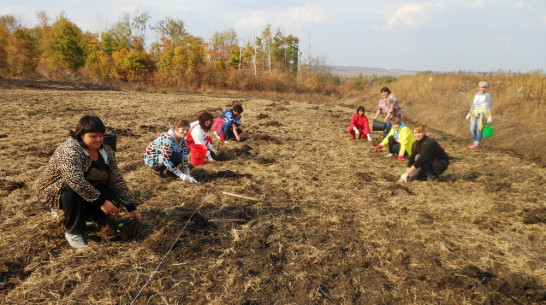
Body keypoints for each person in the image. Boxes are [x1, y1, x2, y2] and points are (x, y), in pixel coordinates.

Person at [37, 116, 142, 249]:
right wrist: (102, 202)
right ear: (81, 135)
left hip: (89, 188)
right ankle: (73, 232)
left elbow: (116, 179)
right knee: (71, 187)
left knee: (112, 197)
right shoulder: (70, 150)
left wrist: (131, 207)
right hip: (56, 192)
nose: (98, 139)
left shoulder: (106, 151)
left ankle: (89, 216)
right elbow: (75, 180)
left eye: (101, 135)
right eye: (93, 136)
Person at [466, 81, 493, 148]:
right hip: (475, 112)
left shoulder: (488, 95)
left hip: (483, 113)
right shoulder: (476, 94)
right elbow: (473, 104)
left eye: (484, 87)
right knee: (472, 129)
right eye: (481, 87)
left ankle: (477, 143)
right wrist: (469, 113)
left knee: (480, 128)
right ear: (479, 87)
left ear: (486, 88)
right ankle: (476, 142)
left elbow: (489, 106)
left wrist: (490, 116)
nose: (483, 89)